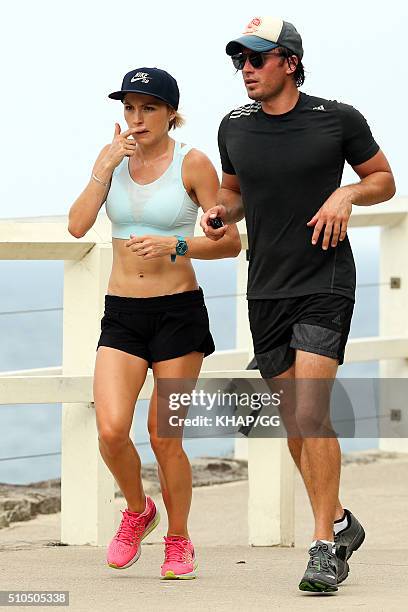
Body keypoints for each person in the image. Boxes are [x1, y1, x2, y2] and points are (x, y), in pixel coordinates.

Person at [201, 17, 396, 593]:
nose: (246, 70)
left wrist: (346, 192)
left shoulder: (337, 118)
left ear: (289, 61)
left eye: (257, 59)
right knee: (294, 425)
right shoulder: (232, 126)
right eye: (240, 60)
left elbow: (383, 179)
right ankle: (339, 522)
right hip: (265, 287)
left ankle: (321, 549)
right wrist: (220, 212)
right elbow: (235, 193)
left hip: (324, 280)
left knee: (311, 412)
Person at [68, 66, 241, 580]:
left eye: (147, 108)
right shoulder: (114, 161)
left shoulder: (194, 164)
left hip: (177, 312)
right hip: (122, 314)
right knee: (110, 429)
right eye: (128, 108)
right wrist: (103, 166)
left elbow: (228, 240)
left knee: (165, 436)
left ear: (170, 113)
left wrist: (177, 243)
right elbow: (77, 226)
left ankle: (179, 539)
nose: (136, 118)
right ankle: (138, 509)